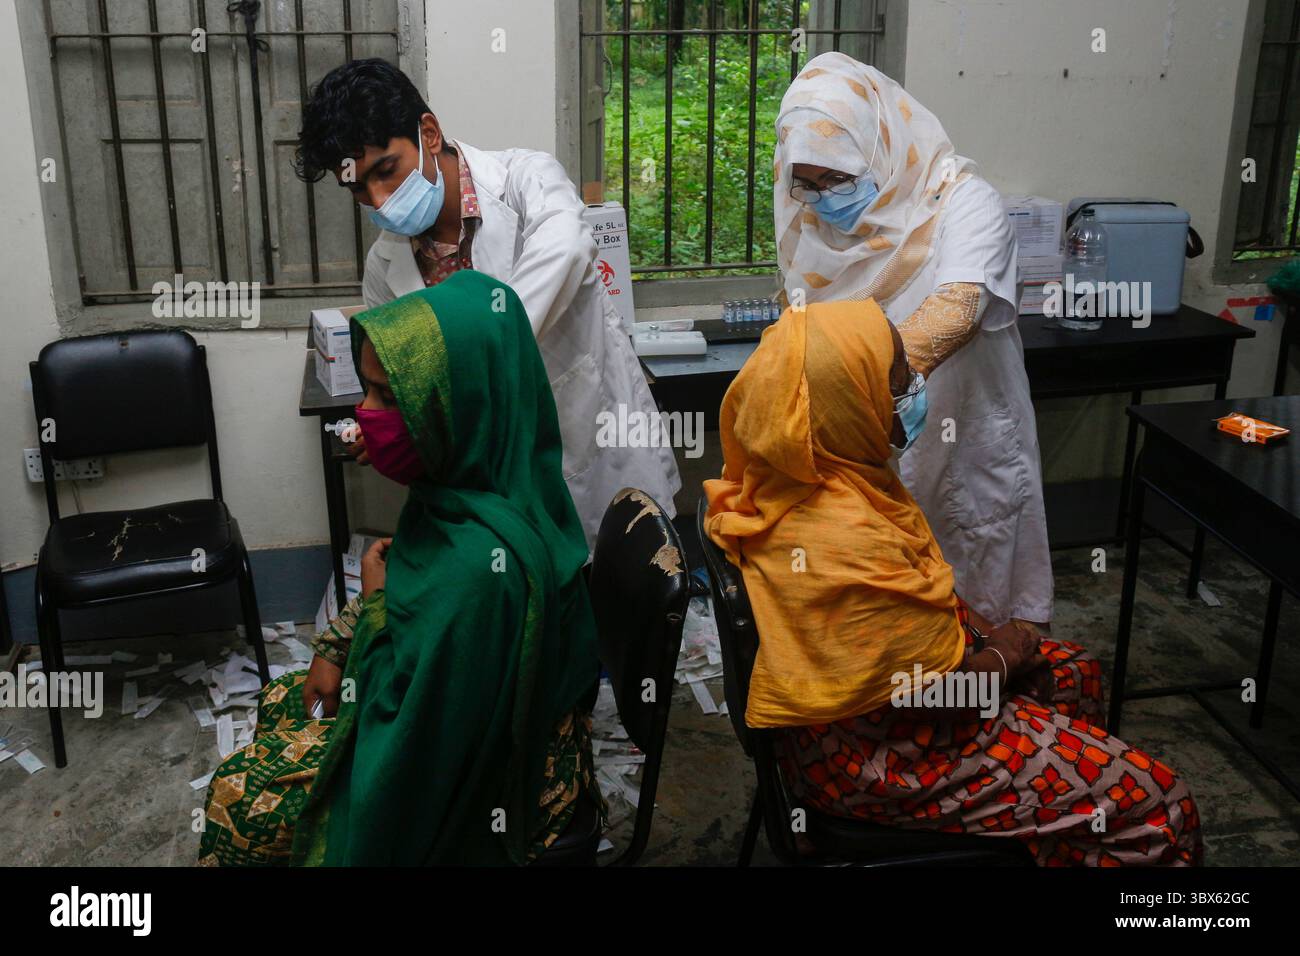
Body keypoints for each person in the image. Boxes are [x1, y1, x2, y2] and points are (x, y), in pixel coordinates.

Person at [703, 299, 1200, 866]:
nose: (911, 391)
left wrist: (991, 638)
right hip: (883, 760)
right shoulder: (840, 535)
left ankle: (1050, 836)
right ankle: (1080, 818)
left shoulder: (787, 481)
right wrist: (1008, 650)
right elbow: (939, 693)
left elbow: (916, 604)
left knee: (1074, 671)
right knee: (1161, 804)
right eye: (895, 383)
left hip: (854, 723)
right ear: (849, 401)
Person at [200, 271, 601, 865]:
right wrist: (345, 636)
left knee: (232, 804)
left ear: (458, 404)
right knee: (284, 703)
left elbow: (413, 740)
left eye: (390, 398)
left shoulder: (480, 574)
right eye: (367, 391)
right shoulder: (498, 483)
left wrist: (374, 604)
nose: (365, 415)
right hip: (449, 705)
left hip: (482, 772)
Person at [295, 58, 680, 547]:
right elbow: (406, 381)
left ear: (429, 133)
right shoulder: (384, 268)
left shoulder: (525, 181)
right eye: (359, 188)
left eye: (387, 171)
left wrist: (471, 351)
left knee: (625, 595)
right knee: (529, 602)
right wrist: (387, 431)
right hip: (490, 484)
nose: (380, 199)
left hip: (592, 446)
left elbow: (567, 247)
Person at [773, 52, 1050, 630]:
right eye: (809, 184)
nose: (825, 198)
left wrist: (862, 385)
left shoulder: (963, 203)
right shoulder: (810, 228)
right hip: (864, 448)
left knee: (978, 600)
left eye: (840, 179)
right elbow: (798, 327)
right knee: (886, 620)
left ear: (881, 146)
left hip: (962, 433)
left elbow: (957, 308)